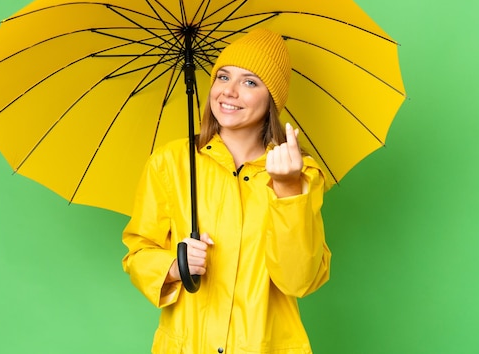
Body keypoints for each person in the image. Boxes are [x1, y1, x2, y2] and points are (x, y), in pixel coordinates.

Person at [122, 28, 331, 354]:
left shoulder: (301, 174)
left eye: (250, 82)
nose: (229, 92)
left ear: (272, 98)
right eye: (223, 77)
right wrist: (175, 266)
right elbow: (138, 251)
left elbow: (299, 280)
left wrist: (288, 189)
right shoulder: (171, 163)